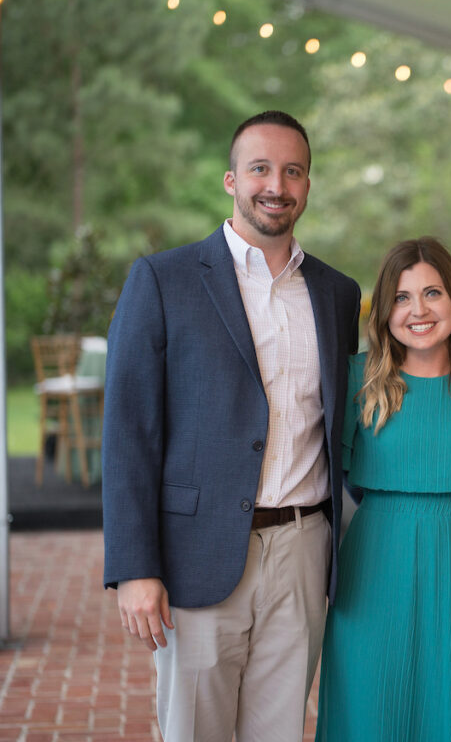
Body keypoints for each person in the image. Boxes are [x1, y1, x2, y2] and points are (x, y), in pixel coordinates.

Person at [102, 110, 361, 742]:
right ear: (231, 180)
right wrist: (135, 567)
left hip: (303, 549)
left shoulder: (337, 293)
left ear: (307, 183)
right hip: (198, 554)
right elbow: (129, 432)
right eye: (261, 168)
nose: (277, 184)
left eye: (293, 170)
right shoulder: (163, 280)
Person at [315, 237, 451, 742]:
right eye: (402, 298)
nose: (418, 310)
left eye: (432, 293)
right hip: (374, 569)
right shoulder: (357, 378)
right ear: (384, 311)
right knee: (371, 713)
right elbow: (328, 475)